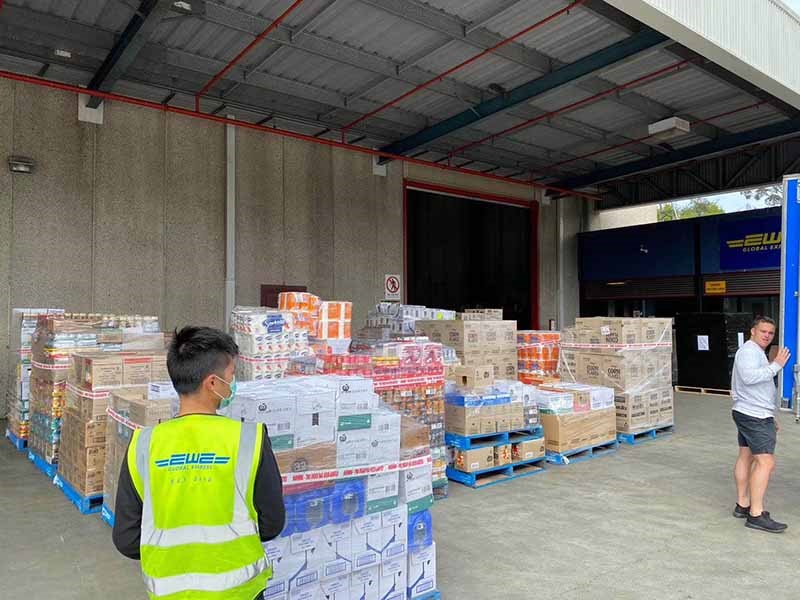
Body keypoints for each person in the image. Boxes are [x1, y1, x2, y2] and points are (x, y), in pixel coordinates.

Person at [112, 326, 285, 599]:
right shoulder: (249, 439)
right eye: (231, 376)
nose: (233, 383)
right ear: (213, 383)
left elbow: (127, 538)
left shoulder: (143, 444)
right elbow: (272, 523)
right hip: (240, 593)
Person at [731, 316, 790, 533]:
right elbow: (748, 378)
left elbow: (758, 387)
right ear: (753, 331)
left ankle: (742, 504)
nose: (767, 335)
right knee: (766, 462)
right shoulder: (749, 351)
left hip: (751, 411)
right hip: (753, 415)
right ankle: (756, 514)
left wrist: (770, 413)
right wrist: (777, 366)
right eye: (763, 331)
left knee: (746, 456)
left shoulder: (755, 351)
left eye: (771, 333)